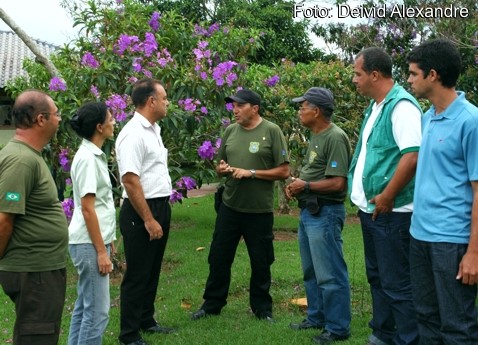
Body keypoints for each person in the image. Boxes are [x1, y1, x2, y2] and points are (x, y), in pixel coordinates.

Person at [191, 89, 290, 322]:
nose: (234, 110)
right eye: (233, 106)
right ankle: (212, 304)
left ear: (254, 108)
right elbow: (219, 166)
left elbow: (284, 171)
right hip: (230, 207)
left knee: (261, 260)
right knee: (218, 257)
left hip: (259, 211)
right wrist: (222, 169)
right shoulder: (230, 131)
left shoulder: (272, 131)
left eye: (239, 105)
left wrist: (252, 173)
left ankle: (262, 309)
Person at [348, 47, 422, 345]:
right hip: (373, 212)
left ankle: (408, 339)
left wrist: (388, 196)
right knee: (378, 277)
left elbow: (412, 157)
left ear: (374, 75)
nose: (354, 80)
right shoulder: (377, 106)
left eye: (357, 74)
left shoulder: (402, 106)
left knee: (397, 284)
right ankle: (383, 333)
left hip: (393, 213)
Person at [407, 38, 478, 344]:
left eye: (412, 73)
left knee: (457, 325)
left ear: (432, 75)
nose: (409, 80)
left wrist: (474, 253)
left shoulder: (470, 121)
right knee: (425, 317)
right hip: (420, 235)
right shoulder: (428, 118)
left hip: (452, 242)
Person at [0, 89, 69, 344]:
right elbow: (5, 219)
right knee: (36, 337)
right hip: (33, 271)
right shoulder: (21, 160)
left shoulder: (30, 156)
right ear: (41, 119)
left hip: (41, 268)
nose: (59, 119)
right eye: (56, 114)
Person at [286, 87, 352, 344]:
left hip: (325, 212)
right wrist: (298, 184)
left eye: (302, 106)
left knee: (330, 273)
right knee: (311, 271)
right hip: (310, 211)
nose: (299, 111)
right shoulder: (316, 136)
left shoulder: (335, 137)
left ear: (316, 110)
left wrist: (306, 186)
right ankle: (316, 318)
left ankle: (337, 328)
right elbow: (316, 174)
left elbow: (338, 184)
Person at [116, 78, 175, 345]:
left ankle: (146, 320)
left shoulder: (154, 129)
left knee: (151, 270)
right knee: (138, 273)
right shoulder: (132, 134)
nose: (166, 103)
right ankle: (129, 334)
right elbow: (130, 180)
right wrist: (148, 219)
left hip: (160, 204)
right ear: (151, 101)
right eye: (164, 98)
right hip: (141, 210)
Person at [67, 101, 117, 345]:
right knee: (97, 313)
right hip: (88, 244)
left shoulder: (92, 154)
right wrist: (101, 251)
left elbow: (99, 206)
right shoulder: (87, 158)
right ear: (99, 126)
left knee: (84, 308)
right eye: (110, 118)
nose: (114, 122)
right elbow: (88, 209)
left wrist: (109, 240)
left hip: (91, 241)